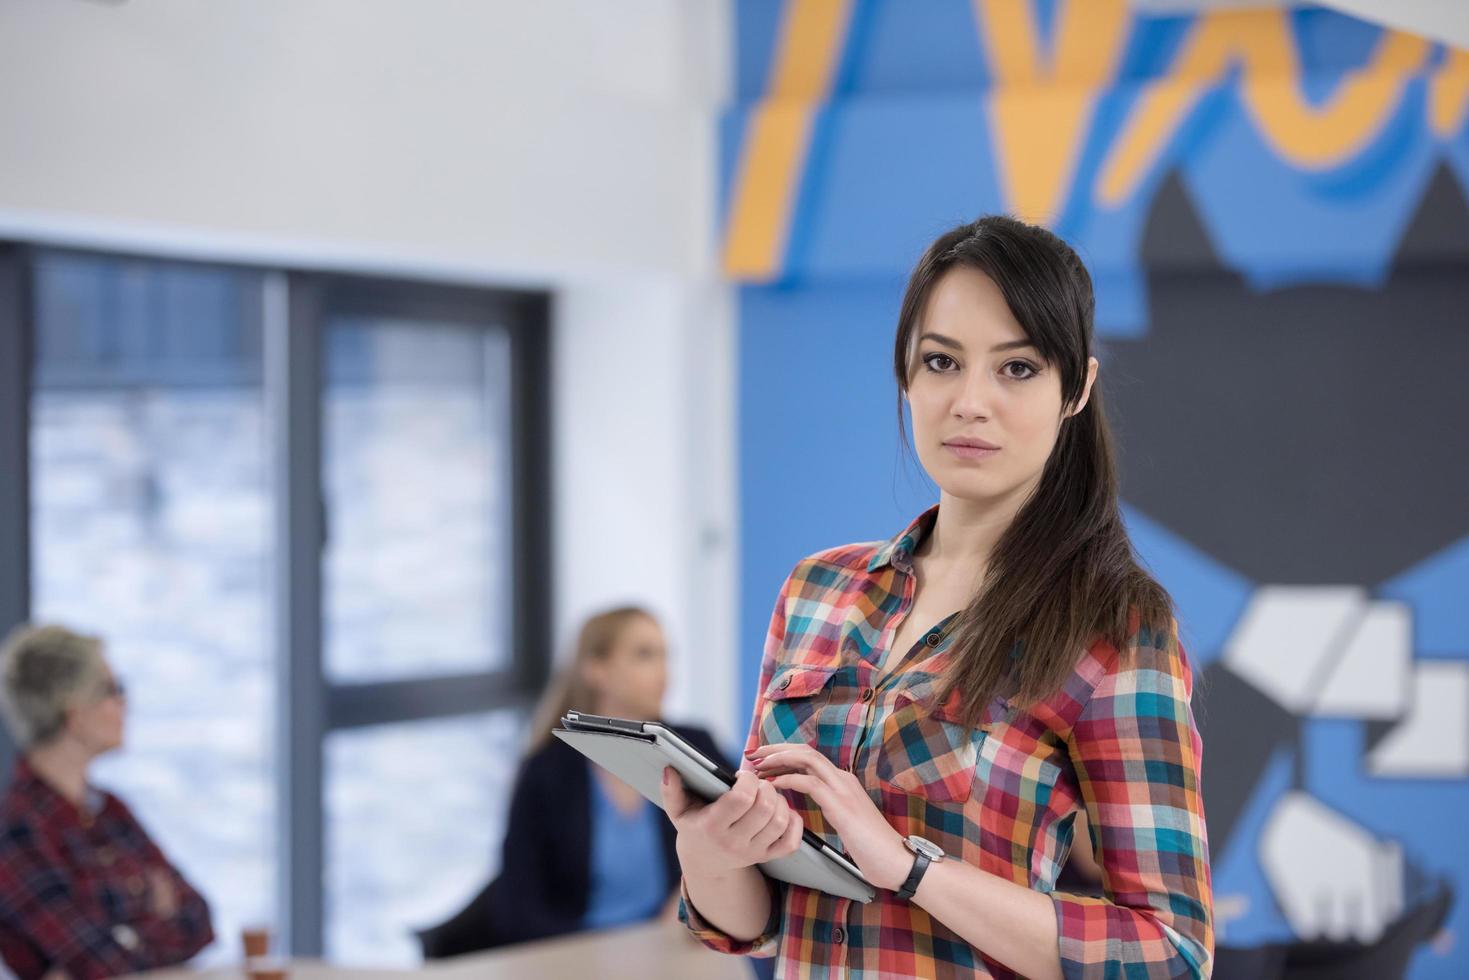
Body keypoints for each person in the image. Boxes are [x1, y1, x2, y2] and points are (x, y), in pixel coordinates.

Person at [660, 216, 1214, 978]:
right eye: (941, 362)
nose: (969, 402)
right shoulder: (817, 591)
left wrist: (909, 869)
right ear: (905, 376)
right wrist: (705, 845)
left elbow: (1173, 957)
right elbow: (750, 927)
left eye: (1016, 368)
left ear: (1076, 388)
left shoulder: (1113, 626)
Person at [419, 606, 732, 957]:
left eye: (665, 655)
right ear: (596, 670)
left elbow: (741, 833)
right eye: (645, 655)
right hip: (575, 957)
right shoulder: (546, 772)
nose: (664, 671)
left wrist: (692, 894)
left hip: (672, 953)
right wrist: (598, 955)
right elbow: (518, 905)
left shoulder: (695, 748)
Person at [0, 624, 214, 979]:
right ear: (74, 710)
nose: (123, 702)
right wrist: (150, 903)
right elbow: (100, 965)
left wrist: (122, 937)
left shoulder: (110, 811)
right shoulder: (17, 828)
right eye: (112, 690)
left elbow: (199, 920)